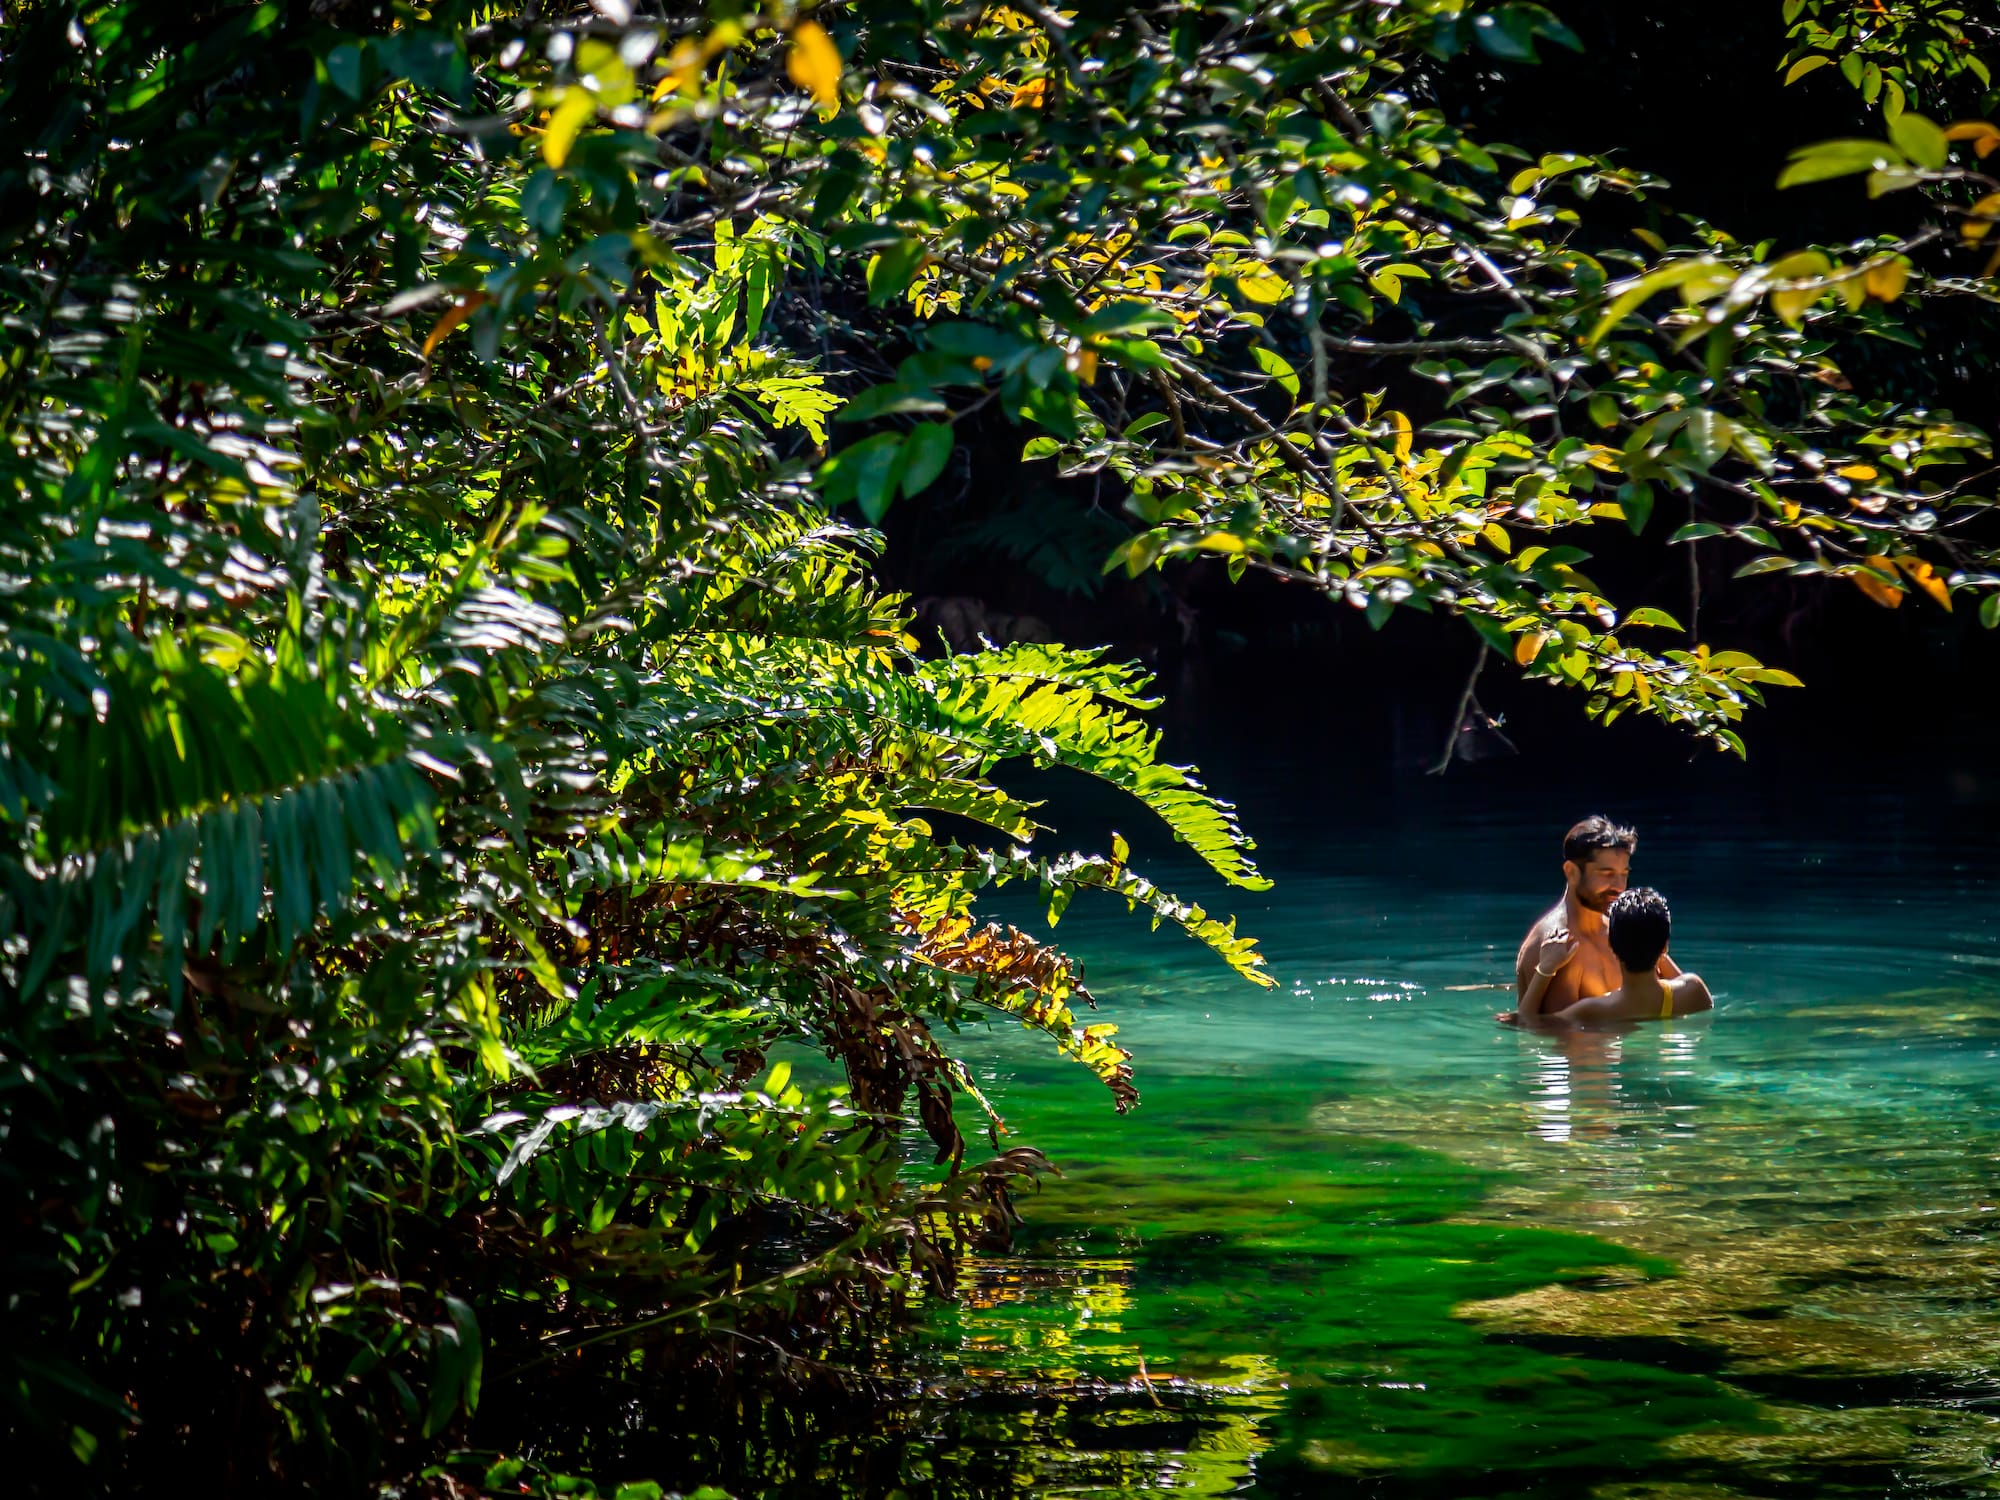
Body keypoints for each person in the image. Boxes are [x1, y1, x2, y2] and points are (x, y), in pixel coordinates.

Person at [1513, 815, 1680, 1019]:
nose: (1619, 887)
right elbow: (1559, 1038)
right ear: (1571, 872)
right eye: (1607, 874)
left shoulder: (1623, 929)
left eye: (1624, 874)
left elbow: (1681, 998)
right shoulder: (1558, 947)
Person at [1526, 887, 1713, 1026]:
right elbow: (1677, 979)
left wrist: (1546, 968)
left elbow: (1527, 1022)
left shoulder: (1592, 1011)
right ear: (1664, 947)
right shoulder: (1693, 991)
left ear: (1612, 947)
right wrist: (1653, 944)